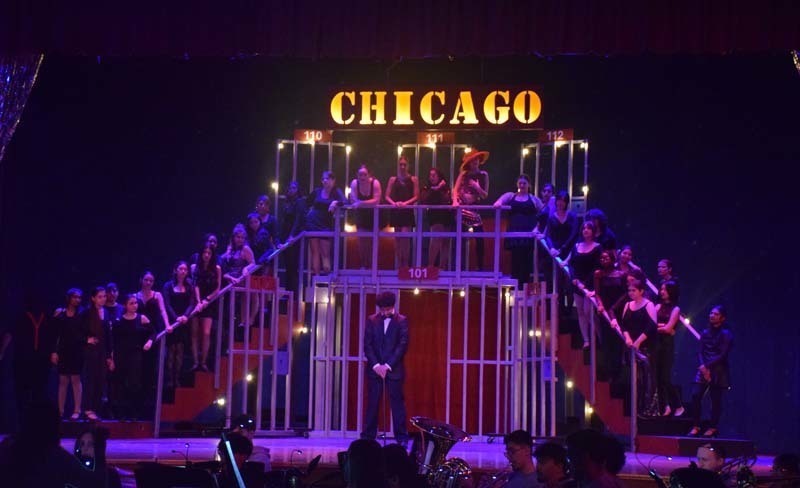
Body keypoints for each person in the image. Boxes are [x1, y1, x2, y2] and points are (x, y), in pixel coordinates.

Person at [0, 400, 104, 488]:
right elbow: (94, 482)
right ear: (53, 428)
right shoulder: (57, 458)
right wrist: (99, 447)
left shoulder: (7, 449)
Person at [361, 291, 409, 446]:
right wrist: (376, 366)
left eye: (387, 310)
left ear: (392, 307)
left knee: (397, 405)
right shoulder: (371, 320)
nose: (384, 312)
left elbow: (402, 345)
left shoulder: (402, 321)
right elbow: (367, 344)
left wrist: (387, 366)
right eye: (382, 310)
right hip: (375, 371)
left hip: (393, 370)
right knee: (373, 403)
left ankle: (401, 438)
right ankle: (368, 437)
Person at [4, 290, 55, 422]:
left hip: (36, 361)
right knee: (27, 393)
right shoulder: (21, 317)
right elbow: (9, 334)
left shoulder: (47, 318)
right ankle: (25, 423)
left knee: (33, 394)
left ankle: (33, 424)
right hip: (26, 360)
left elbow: (53, 338)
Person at [611, 279, 659, 417]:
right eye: (629, 290)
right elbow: (624, 325)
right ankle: (636, 409)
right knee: (636, 379)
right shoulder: (627, 305)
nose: (630, 293)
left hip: (646, 346)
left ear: (641, 291)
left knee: (647, 378)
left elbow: (651, 326)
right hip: (631, 345)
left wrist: (638, 341)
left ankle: (649, 410)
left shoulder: (649, 305)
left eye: (634, 290)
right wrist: (627, 338)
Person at [687, 305, 732, 438]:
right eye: (711, 313)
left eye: (716, 314)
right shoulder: (705, 332)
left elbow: (723, 354)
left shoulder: (726, 334)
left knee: (715, 399)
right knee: (696, 396)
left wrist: (707, 366)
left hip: (718, 369)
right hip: (704, 368)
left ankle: (712, 427)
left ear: (722, 318)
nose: (712, 315)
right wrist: (702, 366)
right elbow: (700, 351)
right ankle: (696, 426)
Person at [494, 174, 543, 288]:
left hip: (528, 235)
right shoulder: (511, 196)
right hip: (514, 234)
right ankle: (516, 286)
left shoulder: (533, 199)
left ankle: (524, 286)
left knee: (527, 260)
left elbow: (543, 212)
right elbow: (498, 203)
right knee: (515, 259)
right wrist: (499, 204)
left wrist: (538, 227)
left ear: (529, 185)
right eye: (520, 183)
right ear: (517, 184)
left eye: (524, 183)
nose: (522, 185)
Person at [112, 294, 152, 420]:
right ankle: (122, 413)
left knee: (134, 384)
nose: (135, 305)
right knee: (121, 383)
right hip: (121, 355)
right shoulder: (119, 320)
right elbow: (114, 340)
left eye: (136, 303)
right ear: (125, 305)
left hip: (135, 354)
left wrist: (149, 341)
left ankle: (134, 413)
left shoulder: (141, 318)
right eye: (131, 303)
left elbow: (154, 331)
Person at [567, 221, 602, 348]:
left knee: (589, 311)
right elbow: (571, 264)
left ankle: (600, 336)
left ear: (593, 231)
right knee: (580, 311)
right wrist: (575, 279)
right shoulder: (576, 246)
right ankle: (586, 340)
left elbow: (596, 267)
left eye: (589, 228)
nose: (586, 230)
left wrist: (585, 284)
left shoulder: (597, 247)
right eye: (584, 228)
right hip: (577, 283)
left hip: (590, 284)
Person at [81, 286, 114, 421]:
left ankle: (95, 408)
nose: (102, 299)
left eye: (104, 296)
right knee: (90, 379)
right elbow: (78, 331)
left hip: (102, 351)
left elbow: (108, 336)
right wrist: (86, 339)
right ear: (93, 298)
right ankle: (87, 409)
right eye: (99, 297)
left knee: (100, 380)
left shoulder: (106, 313)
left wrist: (109, 356)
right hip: (90, 351)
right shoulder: (86, 313)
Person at [453, 150, 490, 270]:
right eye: (472, 160)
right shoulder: (464, 174)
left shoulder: (484, 174)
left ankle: (480, 267)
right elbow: (455, 189)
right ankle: (458, 267)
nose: (475, 162)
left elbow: (485, 195)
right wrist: (455, 201)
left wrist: (477, 187)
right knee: (459, 238)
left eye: (477, 159)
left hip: (475, 208)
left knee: (479, 238)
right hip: (462, 208)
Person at [52, 288, 85, 420]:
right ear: (69, 298)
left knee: (76, 379)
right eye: (75, 297)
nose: (77, 300)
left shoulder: (82, 314)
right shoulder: (60, 313)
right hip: (64, 350)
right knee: (63, 380)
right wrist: (54, 351)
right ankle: (60, 411)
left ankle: (77, 410)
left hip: (77, 350)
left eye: (79, 297)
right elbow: (55, 335)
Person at [305, 170, 346, 274]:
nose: (324, 181)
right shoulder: (317, 191)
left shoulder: (336, 191)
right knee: (315, 252)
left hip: (325, 225)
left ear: (333, 180)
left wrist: (335, 202)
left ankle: (327, 281)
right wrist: (309, 213)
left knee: (325, 254)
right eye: (323, 179)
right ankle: (316, 279)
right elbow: (306, 203)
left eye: (327, 178)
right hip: (312, 223)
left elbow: (345, 202)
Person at [545, 191, 579, 313]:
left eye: (563, 201)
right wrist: (552, 248)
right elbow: (548, 236)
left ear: (566, 202)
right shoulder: (551, 217)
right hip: (556, 253)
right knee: (556, 282)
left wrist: (563, 248)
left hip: (569, 252)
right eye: (559, 200)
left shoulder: (572, 216)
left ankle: (569, 310)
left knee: (569, 282)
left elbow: (574, 235)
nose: (560, 203)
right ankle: (557, 312)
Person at [162, 261, 195, 389]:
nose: (183, 271)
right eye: (180, 269)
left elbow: (192, 303)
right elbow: (167, 304)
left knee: (180, 350)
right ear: (175, 270)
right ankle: (169, 378)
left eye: (185, 269)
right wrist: (176, 318)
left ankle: (177, 379)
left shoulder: (189, 286)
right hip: (172, 321)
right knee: (171, 350)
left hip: (184, 321)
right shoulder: (168, 286)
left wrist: (185, 316)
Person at [654, 281, 684, 417]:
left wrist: (661, 327)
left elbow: (668, 328)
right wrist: (661, 327)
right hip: (656, 343)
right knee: (657, 377)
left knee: (665, 377)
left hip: (667, 345)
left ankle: (678, 405)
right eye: (661, 289)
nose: (662, 291)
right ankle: (664, 406)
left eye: (665, 289)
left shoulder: (676, 309)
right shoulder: (657, 306)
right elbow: (651, 324)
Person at [191, 244, 222, 372]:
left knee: (206, 333)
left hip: (210, 302)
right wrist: (199, 302)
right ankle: (195, 362)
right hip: (196, 301)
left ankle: (203, 362)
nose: (207, 255)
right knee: (194, 333)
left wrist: (207, 300)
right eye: (205, 252)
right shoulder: (195, 267)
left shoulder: (217, 268)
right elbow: (195, 285)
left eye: (209, 253)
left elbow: (218, 288)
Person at [385, 156, 419, 269]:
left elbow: (416, 196)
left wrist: (405, 203)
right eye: (401, 164)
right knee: (398, 239)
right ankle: (399, 264)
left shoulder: (413, 179)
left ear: (408, 165)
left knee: (405, 238)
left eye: (405, 164)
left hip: (407, 211)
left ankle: (406, 264)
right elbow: (386, 196)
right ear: (398, 165)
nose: (403, 167)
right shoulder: (392, 179)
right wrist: (394, 203)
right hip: (396, 210)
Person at [349, 164, 383, 269]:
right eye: (360, 174)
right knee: (362, 242)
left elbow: (376, 201)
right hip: (362, 216)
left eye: (364, 174)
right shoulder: (354, 183)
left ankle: (373, 267)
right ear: (357, 175)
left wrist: (360, 204)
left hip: (374, 216)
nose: (362, 177)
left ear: (369, 175)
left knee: (373, 243)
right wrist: (362, 204)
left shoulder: (375, 183)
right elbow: (353, 199)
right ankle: (364, 265)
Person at [420, 167, 452, 269]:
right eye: (430, 175)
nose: (431, 177)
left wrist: (441, 188)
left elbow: (447, 199)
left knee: (446, 241)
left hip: (446, 215)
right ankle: (430, 265)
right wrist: (436, 188)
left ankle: (443, 266)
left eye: (434, 175)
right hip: (435, 215)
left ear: (439, 177)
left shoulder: (445, 187)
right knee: (436, 238)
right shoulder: (427, 187)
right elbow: (424, 199)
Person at [278, 180, 306, 295]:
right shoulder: (286, 203)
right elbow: (283, 221)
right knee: (288, 265)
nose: (291, 189)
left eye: (294, 187)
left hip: (294, 236)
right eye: (290, 187)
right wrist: (280, 238)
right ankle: (288, 291)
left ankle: (293, 293)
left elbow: (298, 219)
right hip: (286, 234)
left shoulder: (299, 202)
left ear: (298, 190)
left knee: (293, 265)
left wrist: (292, 235)